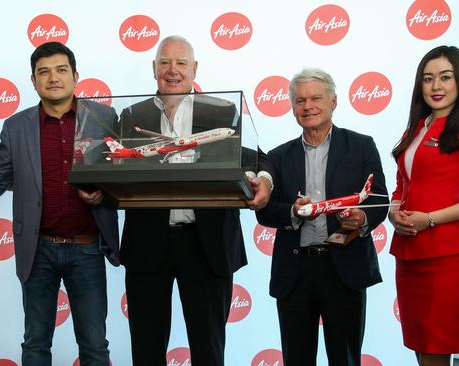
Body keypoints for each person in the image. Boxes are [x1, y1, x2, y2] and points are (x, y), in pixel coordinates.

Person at [119, 35, 273, 366]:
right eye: (164, 62)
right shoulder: (132, 114)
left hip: (207, 245)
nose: (172, 70)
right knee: (145, 348)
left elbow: (256, 159)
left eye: (180, 63)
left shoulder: (222, 111)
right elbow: (112, 167)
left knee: (209, 348)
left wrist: (265, 179)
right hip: (148, 244)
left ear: (194, 69)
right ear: (153, 68)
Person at [0, 41, 119, 366]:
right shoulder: (16, 127)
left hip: (87, 248)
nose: (52, 77)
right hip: (37, 250)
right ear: (33, 81)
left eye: (60, 70)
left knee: (95, 346)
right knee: (35, 344)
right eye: (43, 72)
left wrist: (104, 194)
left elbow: (122, 178)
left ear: (75, 75)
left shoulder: (104, 118)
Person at [255, 68, 388, 365]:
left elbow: (378, 199)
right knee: (296, 359)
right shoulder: (277, 157)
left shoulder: (361, 145)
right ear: (292, 109)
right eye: (300, 101)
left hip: (345, 268)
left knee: (346, 359)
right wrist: (292, 211)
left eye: (316, 98)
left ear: (334, 102)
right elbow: (264, 212)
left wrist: (361, 219)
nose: (308, 106)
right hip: (295, 270)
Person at [389, 45, 459, 366]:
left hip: (448, 257)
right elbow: (403, 184)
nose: (436, 87)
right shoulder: (418, 126)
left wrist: (429, 219)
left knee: (437, 346)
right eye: (428, 79)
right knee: (422, 347)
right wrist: (393, 209)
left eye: (445, 77)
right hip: (410, 254)